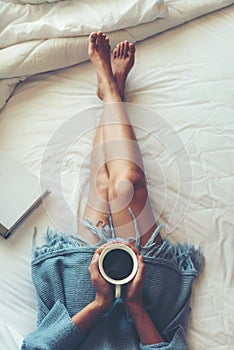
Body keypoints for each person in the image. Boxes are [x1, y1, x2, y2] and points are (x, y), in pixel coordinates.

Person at [21, 32, 204, 350]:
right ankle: (110, 91)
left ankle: (109, 90)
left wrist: (100, 305)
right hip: (148, 318)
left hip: (81, 314)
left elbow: (36, 347)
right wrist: (132, 307)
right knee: (128, 185)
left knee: (106, 187)